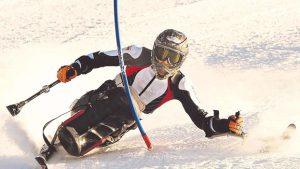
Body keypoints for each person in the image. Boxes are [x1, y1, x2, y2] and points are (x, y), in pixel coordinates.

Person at [55, 29, 244, 157]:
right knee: (121, 97)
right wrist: (75, 68)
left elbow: (203, 121)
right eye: (162, 54)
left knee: (131, 109)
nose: (164, 62)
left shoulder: (180, 84)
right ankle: (70, 130)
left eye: (172, 58)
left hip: (122, 121)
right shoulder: (138, 55)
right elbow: (98, 58)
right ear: (154, 50)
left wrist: (227, 125)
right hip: (101, 97)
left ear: (181, 60)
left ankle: (85, 140)